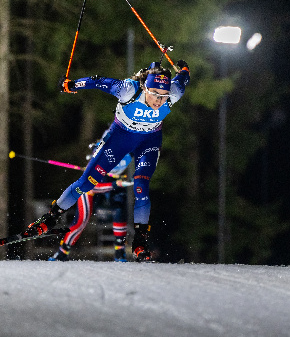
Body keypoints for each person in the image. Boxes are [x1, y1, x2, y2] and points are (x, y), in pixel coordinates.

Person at [28, 59, 190, 262]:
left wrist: (183, 68)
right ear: (145, 88)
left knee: (141, 187)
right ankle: (50, 218)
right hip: (120, 138)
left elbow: (183, 77)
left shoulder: (174, 92)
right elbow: (98, 81)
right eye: (155, 94)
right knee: (86, 183)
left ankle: (140, 240)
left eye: (163, 96)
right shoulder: (128, 90)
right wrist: (71, 85)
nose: (159, 100)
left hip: (149, 140)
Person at [48, 148, 133, 262]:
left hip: (111, 184)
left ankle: (119, 251)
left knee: (120, 205)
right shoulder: (97, 161)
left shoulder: (129, 151)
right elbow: (93, 188)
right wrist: (117, 183)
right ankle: (62, 253)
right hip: (92, 189)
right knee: (81, 220)